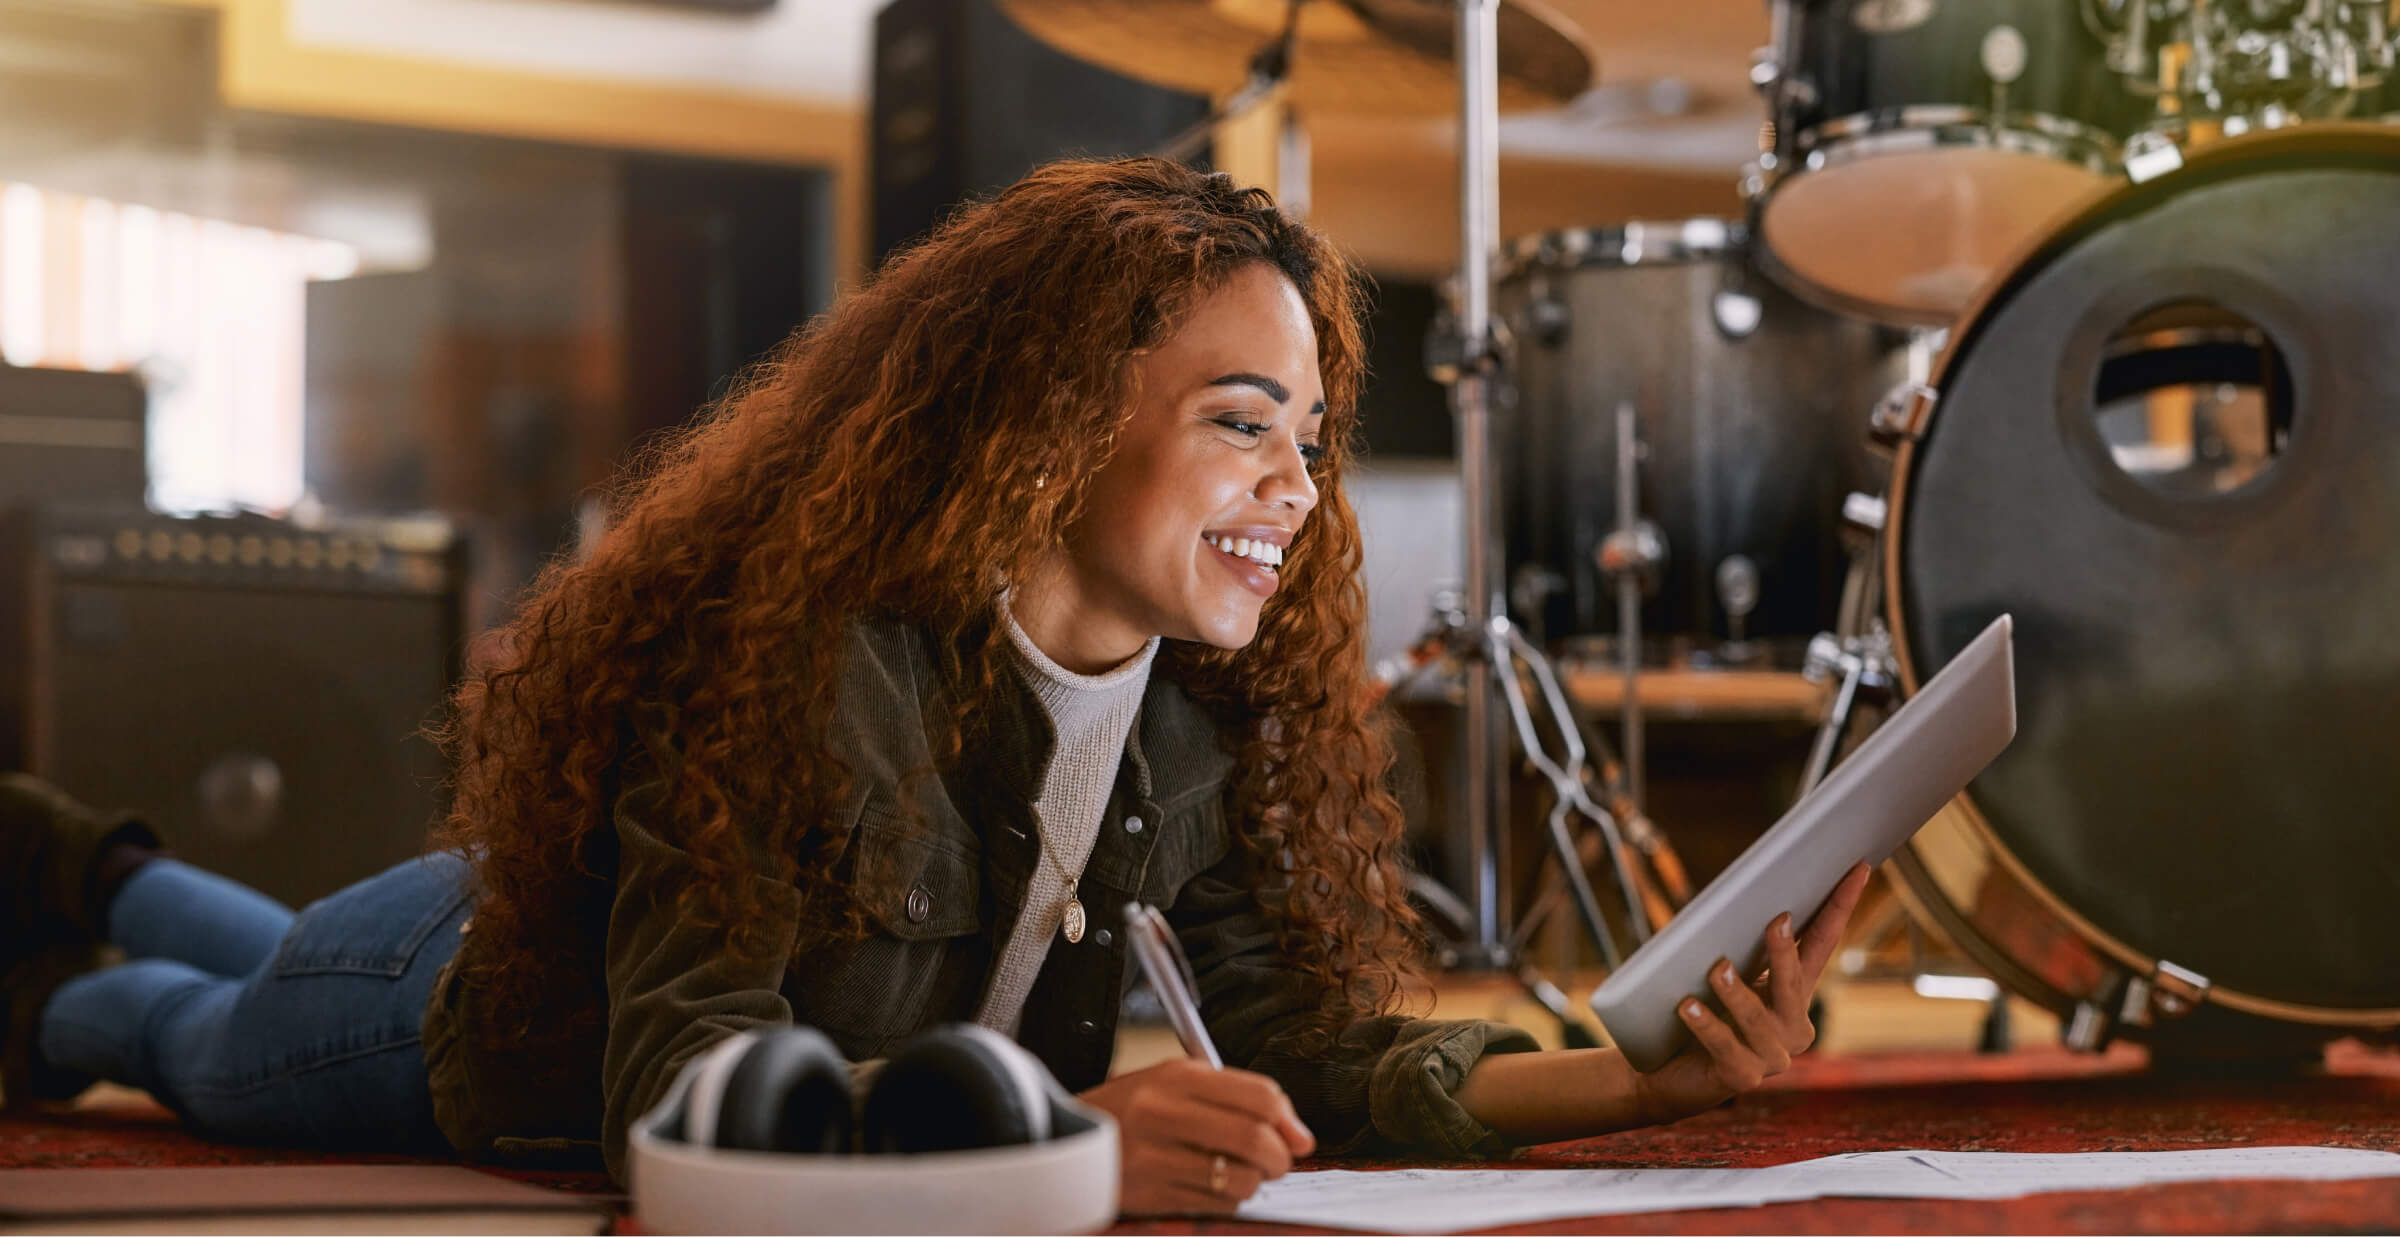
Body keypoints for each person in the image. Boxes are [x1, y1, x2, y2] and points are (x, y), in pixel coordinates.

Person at [0, 158, 1867, 1214]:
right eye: (1240, 425)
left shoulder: (1203, 707)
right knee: (180, 1035)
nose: (1299, 488)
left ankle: (90, 859)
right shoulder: (817, 653)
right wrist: (1058, 1149)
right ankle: (80, 926)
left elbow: (1302, 1055)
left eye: (1309, 432)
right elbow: (684, 1087)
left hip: (511, 927)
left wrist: (1622, 1080)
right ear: (1056, 429)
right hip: (473, 1002)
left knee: (241, 945)